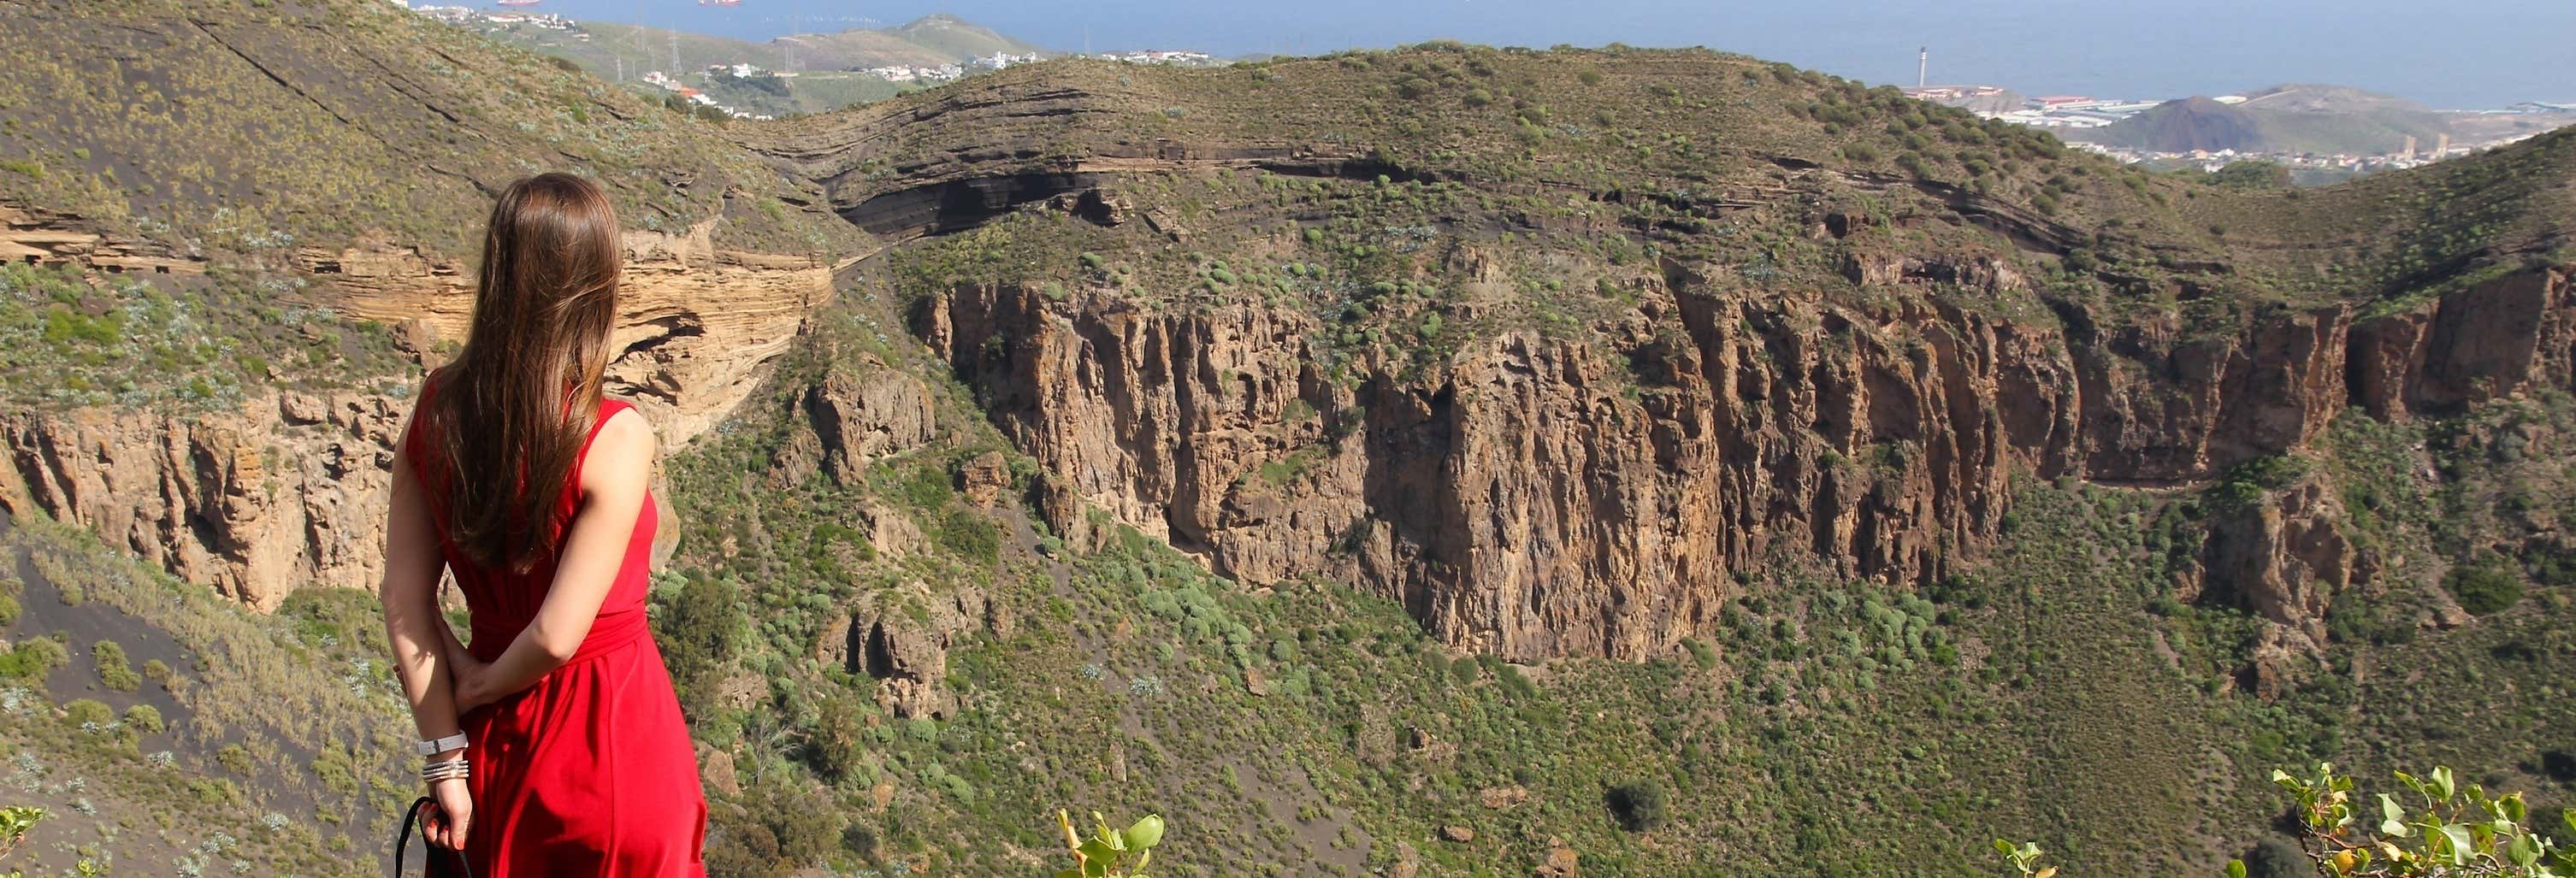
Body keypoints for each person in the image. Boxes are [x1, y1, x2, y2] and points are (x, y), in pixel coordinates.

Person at [376, 173, 707, 877]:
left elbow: (405, 599)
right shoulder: (613, 435)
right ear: (595, 289)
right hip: (609, 749)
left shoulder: (434, 411)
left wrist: (446, 752)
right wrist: (483, 683)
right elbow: (558, 637)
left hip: (490, 757)